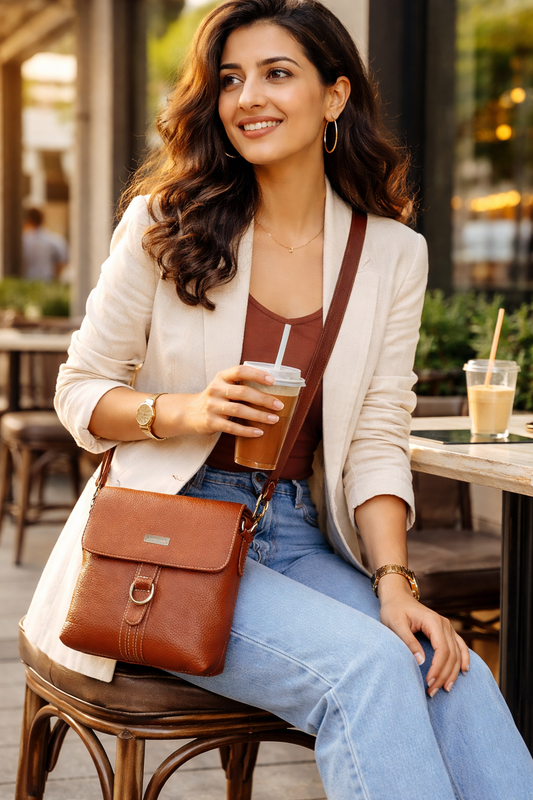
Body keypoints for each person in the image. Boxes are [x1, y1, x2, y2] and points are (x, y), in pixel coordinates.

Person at [24, 1, 533, 797]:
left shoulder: (392, 253)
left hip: (294, 532)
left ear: (334, 97)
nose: (247, 97)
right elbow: (77, 393)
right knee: (367, 669)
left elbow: (373, 434)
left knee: (447, 667)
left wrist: (395, 585)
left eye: (276, 74)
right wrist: (183, 411)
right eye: (230, 79)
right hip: (161, 534)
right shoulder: (165, 223)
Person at [22, 207, 69, 281]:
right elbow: (63, 261)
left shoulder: (23, 240)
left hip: (26, 281)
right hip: (47, 281)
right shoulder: (54, 239)